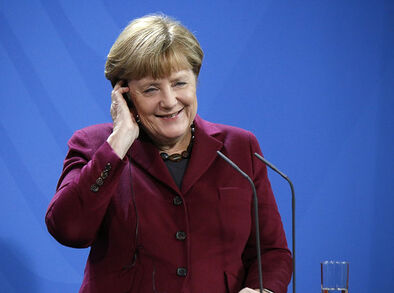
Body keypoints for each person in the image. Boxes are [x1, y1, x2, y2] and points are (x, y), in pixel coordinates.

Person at [45, 14, 292, 293]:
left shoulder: (240, 148)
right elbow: (69, 230)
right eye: (151, 89)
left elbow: (271, 252)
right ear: (125, 96)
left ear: (195, 81)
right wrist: (118, 144)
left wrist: (262, 290)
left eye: (179, 83)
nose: (169, 101)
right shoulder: (94, 146)